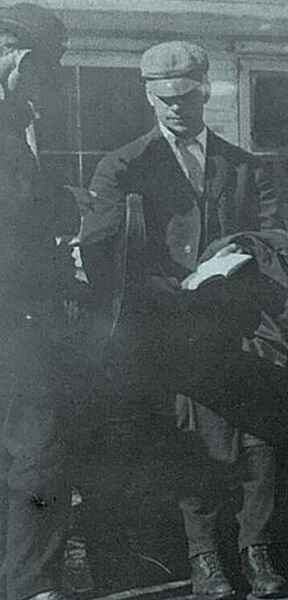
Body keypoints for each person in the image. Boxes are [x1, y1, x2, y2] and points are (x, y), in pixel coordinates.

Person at [86, 40, 286, 600]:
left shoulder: (247, 168)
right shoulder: (123, 166)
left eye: (188, 96)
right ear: (149, 97)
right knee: (188, 439)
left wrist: (237, 264)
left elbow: (271, 242)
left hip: (238, 324)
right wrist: (166, 287)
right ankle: (206, 562)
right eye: (165, 98)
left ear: (207, 93)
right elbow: (104, 256)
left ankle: (257, 551)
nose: (177, 108)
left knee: (259, 438)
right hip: (165, 331)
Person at [0, 5, 74, 599]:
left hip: (19, 313)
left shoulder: (18, 115)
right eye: (45, 71)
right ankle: (30, 586)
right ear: (22, 59)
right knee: (38, 454)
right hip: (12, 319)